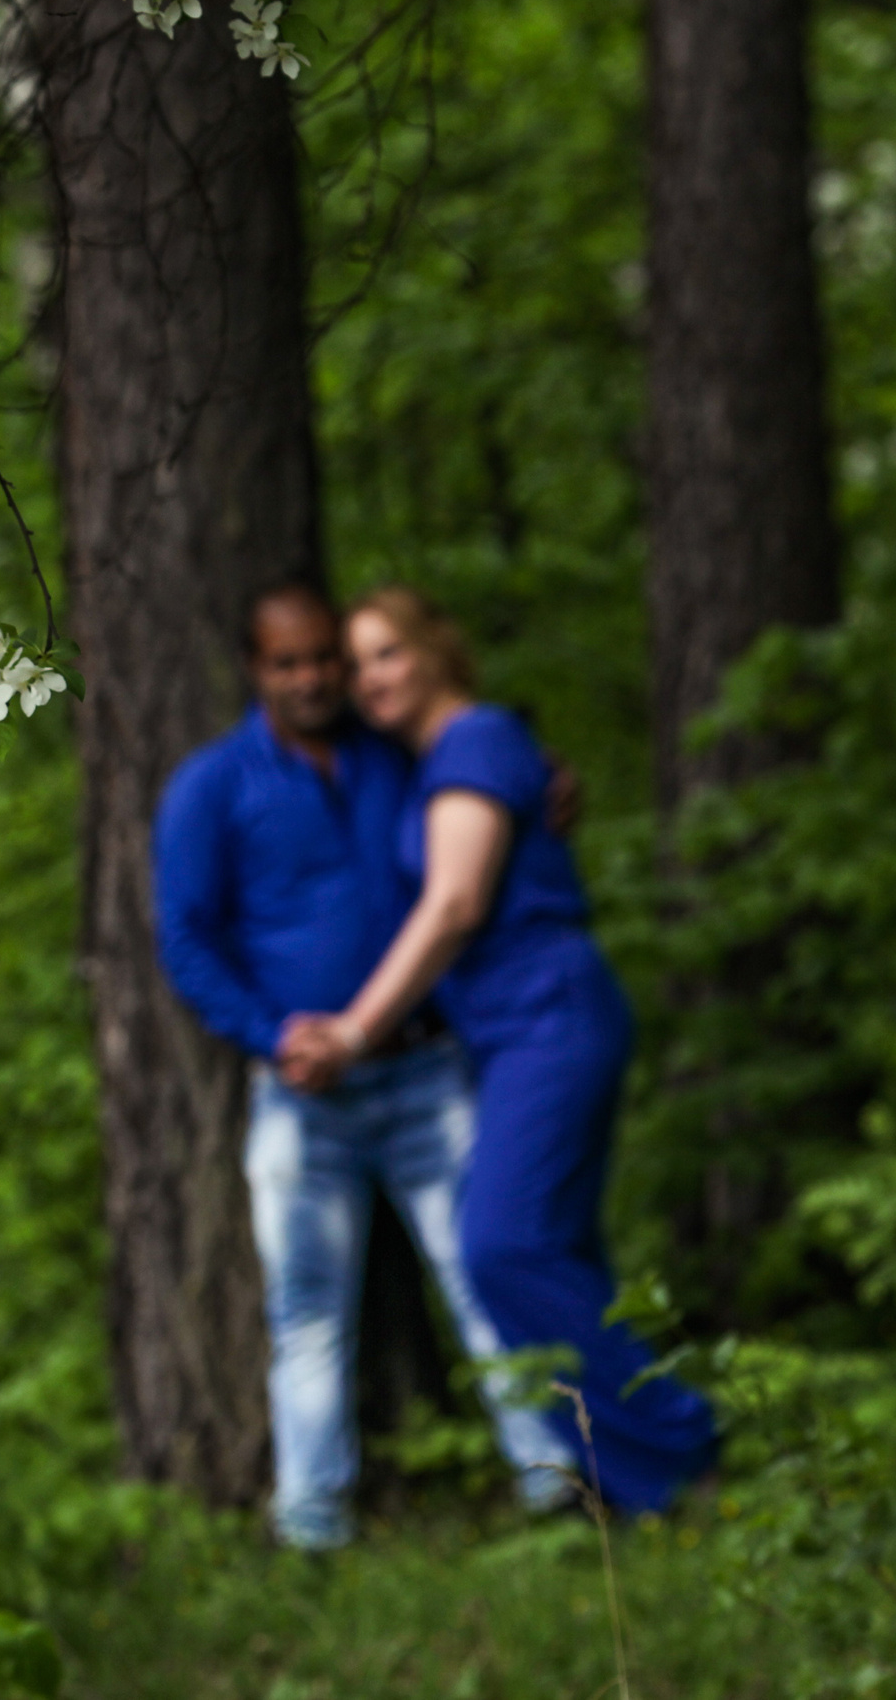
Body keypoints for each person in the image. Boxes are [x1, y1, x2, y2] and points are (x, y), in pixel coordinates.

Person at [154, 582, 575, 1552]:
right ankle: (312, 1525)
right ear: (255, 671)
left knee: (485, 1274)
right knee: (308, 1315)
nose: (309, 679)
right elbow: (185, 937)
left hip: (426, 1071)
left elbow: (486, 797)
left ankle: (552, 1486)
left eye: (323, 660)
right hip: (305, 1096)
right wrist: (271, 1035)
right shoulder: (211, 786)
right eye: (287, 663)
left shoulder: (396, 754)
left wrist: (546, 782)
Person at [282, 587, 717, 1516]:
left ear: (439, 646)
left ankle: (684, 1450)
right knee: (558, 1249)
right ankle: (631, 1482)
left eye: (389, 652)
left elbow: (456, 903)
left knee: (503, 1243)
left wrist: (355, 1031)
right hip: (509, 1029)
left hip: (547, 1016)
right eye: (359, 665)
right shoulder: (451, 754)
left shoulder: (474, 740)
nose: (371, 679)